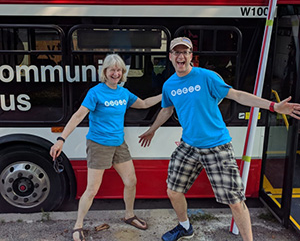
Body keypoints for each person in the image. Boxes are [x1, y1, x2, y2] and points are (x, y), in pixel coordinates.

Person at [138, 37, 300, 241]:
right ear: (170, 57)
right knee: (173, 191)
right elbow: (167, 109)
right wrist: (152, 130)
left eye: (185, 52)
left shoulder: (206, 77)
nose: (181, 56)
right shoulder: (169, 85)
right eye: (176, 52)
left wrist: (273, 106)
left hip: (217, 146)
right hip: (189, 145)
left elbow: (237, 95)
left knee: (235, 200)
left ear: (191, 56)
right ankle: (185, 227)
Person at [50, 54, 162, 241]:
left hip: (119, 143)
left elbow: (143, 104)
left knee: (131, 181)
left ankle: (129, 215)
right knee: (92, 189)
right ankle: (78, 225)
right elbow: (78, 116)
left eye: (119, 70)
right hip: (99, 145)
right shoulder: (95, 92)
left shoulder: (123, 93)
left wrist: (164, 96)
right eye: (112, 70)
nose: (116, 73)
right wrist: (61, 139)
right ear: (105, 72)